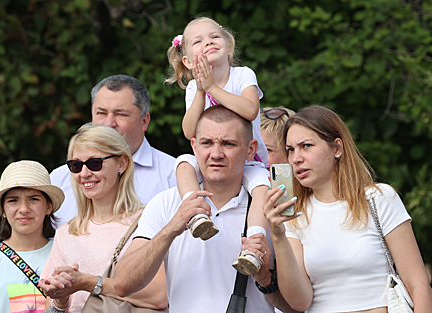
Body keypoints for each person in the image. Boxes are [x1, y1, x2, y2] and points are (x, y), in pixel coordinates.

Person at [114, 106, 299, 313]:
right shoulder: (166, 203)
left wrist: (266, 281)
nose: (216, 154)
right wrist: (171, 229)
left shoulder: (274, 209)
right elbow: (122, 284)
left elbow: (297, 308)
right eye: (207, 143)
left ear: (251, 149)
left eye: (228, 144)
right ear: (194, 146)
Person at [263, 105, 432, 312]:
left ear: (337, 149)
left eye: (306, 146)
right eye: (290, 150)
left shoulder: (378, 198)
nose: (296, 158)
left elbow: (418, 284)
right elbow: (299, 302)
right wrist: (278, 235)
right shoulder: (295, 214)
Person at [165, 16, 270, 275]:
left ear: (228, 47)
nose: (209, 42)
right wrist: (202, 91)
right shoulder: (193, 88)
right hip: (211, 160)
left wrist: (213, 86)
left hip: (249, 160)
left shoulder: (243, 75)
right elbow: (189, 130)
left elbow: (250, 109)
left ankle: (254, 245)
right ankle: (197, 215)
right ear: (189, 61)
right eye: (198, 41)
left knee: (261, 190)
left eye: (214, 36)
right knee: (183, 164)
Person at [39, 123, 167, 312]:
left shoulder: (149, 221)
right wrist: (61, 299)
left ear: (121, 163)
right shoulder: (66, 233)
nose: (84, 173)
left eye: (94, 163)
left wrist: (88, 282)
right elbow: (54, 308)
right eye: (76, 165)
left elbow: (159, 296)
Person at [51, 74, 176, 228]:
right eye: (101, 113)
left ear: (144, 121)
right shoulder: (58, 181)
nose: (108, 123)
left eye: (121, 114)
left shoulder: (174, 176)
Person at [0, 160, 64, 313]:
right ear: (3, 210)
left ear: (48, 206)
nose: (24, 209)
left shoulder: (65, 253)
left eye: (33, 199)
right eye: (13, 200)